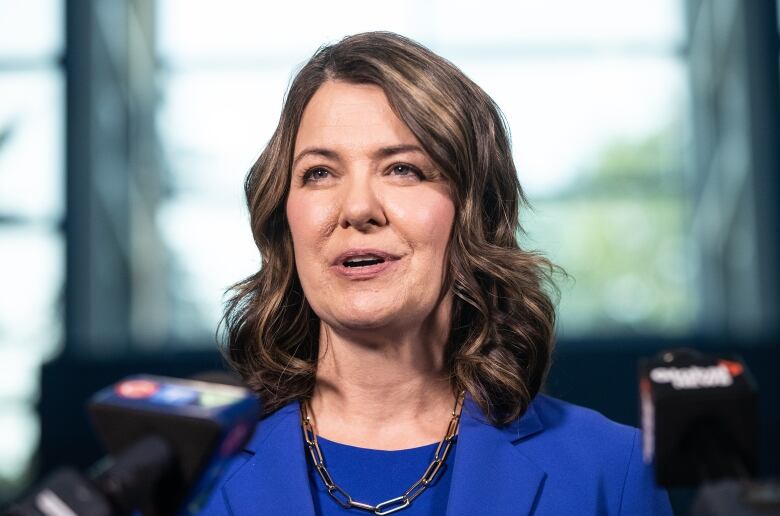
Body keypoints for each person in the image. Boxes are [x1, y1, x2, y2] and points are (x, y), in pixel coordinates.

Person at [201, 32, 673, 515]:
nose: (358, 207)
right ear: (284, 216)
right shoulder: (186, 477)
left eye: (403, 169)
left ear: (472, 212)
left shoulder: (611, 470)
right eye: (319, 172)